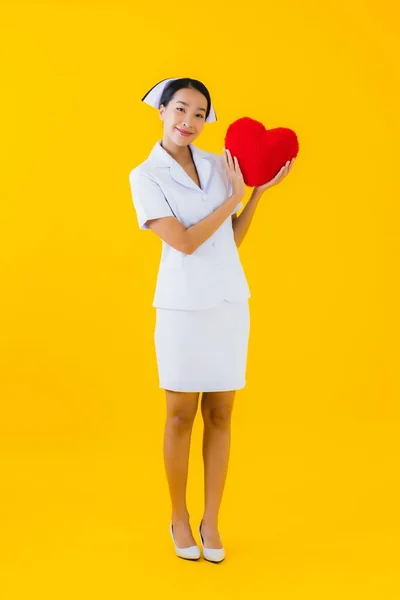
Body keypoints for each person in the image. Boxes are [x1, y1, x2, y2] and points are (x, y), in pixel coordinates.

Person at [128, 77, 294, 562]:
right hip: (181, 308)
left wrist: (256, 193)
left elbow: (230, 240)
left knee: (221, 414)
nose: (189, 121)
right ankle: (179, 517)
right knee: (180, 416)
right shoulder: (145, 176)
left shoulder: (221, 165)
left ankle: (212, 519)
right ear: (161, 110)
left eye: (200, 114)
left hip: (226, 304)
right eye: (181, 109)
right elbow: (182, 241)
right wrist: (232, 197)